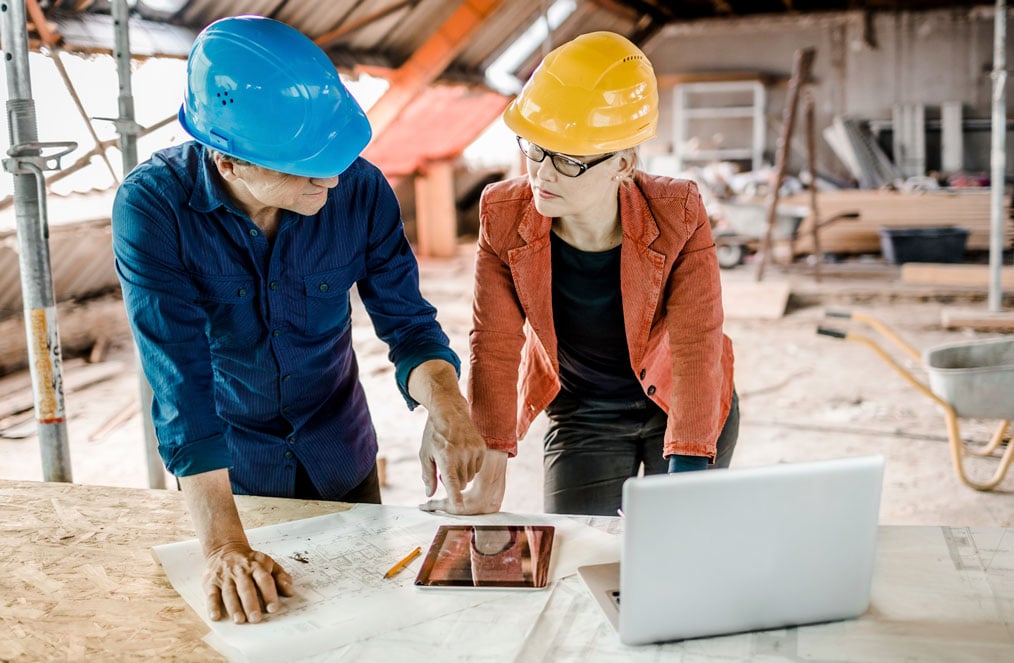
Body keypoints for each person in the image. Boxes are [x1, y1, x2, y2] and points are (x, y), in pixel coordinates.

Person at [111, 16, 485, 624]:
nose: (331, 178)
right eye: (306, 167)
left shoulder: (359, 191)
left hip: (340, 451)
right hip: (234, 476)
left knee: (366, 623)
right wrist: (224, 544)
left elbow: (408, 323)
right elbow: (179, 382)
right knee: (262, 630)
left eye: (333, 158)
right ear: (228, 162)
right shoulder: (153, 209)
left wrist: (447, 404)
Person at [423, 31, 738, 517]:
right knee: (579, 553)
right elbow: (495, 342)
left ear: (624, 164)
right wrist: (491, 454)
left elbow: (698, 343)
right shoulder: (503, 214)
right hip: (582, 413)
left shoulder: (678, 210)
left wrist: (689, 472)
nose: (543, 174)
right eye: (536, 148)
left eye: (569, 160)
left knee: (679, 547)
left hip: (678, 397)